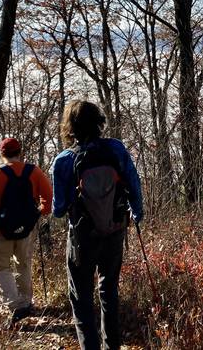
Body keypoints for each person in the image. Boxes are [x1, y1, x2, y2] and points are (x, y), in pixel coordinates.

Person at [51, 100, 143, 350]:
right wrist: (137, 213)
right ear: (99, 122)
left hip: (82, 237)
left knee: (81, 298)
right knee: (109, 292)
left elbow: (58, 209)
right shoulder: (115, 149)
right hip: (114, 231)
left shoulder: (64, 160)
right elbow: (134, 183)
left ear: (70, 126)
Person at [0, 137, 53, 326]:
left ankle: (16, 305)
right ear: (20, 152)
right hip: (26, 230)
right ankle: (25, 302)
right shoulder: (33, 172)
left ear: (1, 154)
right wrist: (38, 213)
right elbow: (49, 197)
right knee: (23, 264)